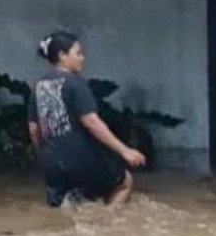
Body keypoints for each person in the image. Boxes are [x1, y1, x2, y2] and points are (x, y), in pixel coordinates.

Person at [28, 31, 146, 207]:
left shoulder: (38, 87)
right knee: (125, 182)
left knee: (64, 207)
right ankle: (105, 223)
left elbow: (34, 129)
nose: (82, 58)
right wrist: (124, 151)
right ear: (62, 56)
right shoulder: (76, 83)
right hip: (79, 159)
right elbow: (91, 122)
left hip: (52, 163)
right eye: (78, 53)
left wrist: (45, 156)